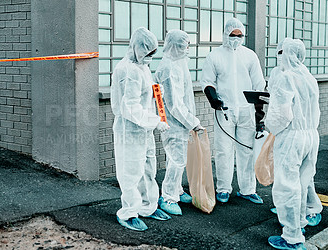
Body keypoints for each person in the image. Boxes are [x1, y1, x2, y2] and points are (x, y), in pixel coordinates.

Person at [111, 27, 172, 231]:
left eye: (153, 53)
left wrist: (155, 90)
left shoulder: (141, 66)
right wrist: (155, 121)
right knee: (131, 171)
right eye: (148, 53)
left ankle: (148, 206)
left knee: (148, 168)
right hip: (129, 129)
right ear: (138, 48)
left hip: (144, 129)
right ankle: (128, 213)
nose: (151, 58)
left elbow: (143, 92)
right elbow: (130, 108)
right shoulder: (127, 70)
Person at [200, 17, 266, 204]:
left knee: (246, 150)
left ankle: (247, 189)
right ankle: (223, 189)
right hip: (225, 111)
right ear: (225, 34)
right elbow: (207, 81)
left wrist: (259, 114)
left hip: (246, 111)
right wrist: (213, 98)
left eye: (239, 35)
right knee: (223, 151)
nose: (236, 38)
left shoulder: (250, 56)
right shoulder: (215, 56)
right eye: (232, 35)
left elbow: (259, 84)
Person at [264, 38, 321, 250]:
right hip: (311, 135)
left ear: (286, 54)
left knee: (287, 186)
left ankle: (292, 237)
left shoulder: (286, 78)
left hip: (292, 137)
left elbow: (281, 114)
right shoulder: (309, 77)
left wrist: (270, 128)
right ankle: (300, 224)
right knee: (302, 183)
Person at [154, 30, 204, 215]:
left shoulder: (178, 63)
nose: (187, 49)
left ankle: (177, 190)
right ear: (174, 46)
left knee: (177, 159)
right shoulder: (167, 68)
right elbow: (174, 104)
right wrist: (193, 122)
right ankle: (167, 197)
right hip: (173, 123)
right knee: (176, 160)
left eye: (188, 45)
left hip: (180, 122)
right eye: (184, 45)